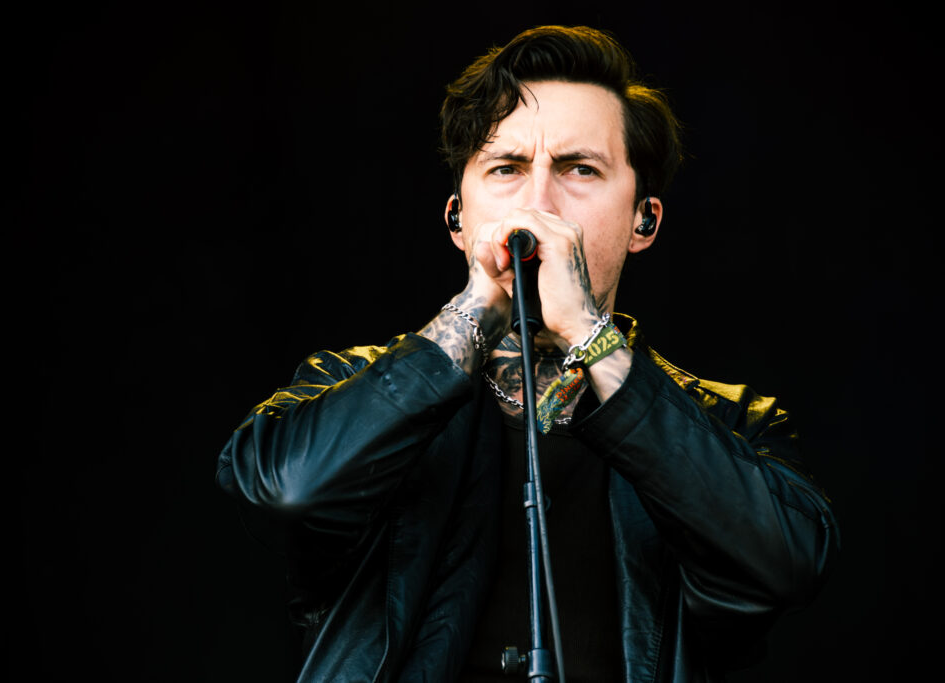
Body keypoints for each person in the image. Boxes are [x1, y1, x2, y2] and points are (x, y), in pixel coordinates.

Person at [216, 25, 838, 682]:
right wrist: (476, 310)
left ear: (644, 220)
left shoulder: (730, 423)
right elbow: (284, 494)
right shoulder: (353, 385)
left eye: (580, 169)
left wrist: (588, 334)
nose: (538, 203)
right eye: (506, 169)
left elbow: (787, 563)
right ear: (458, 219)